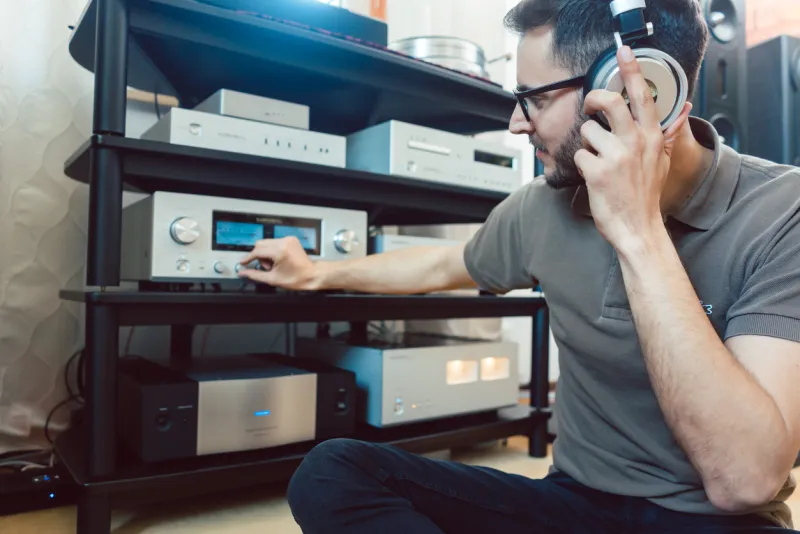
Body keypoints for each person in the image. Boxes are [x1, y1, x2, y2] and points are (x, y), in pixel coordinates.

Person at [238, 0, 800, 531]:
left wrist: (639, 232)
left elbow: (744, 480)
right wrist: (317, 272)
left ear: (637, 93)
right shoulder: (542, 204)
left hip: (716, 522)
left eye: (534, 97)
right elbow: (443, 265)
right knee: (334, 471)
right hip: (571, 506)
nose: (515, 123)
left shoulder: (783, 212)